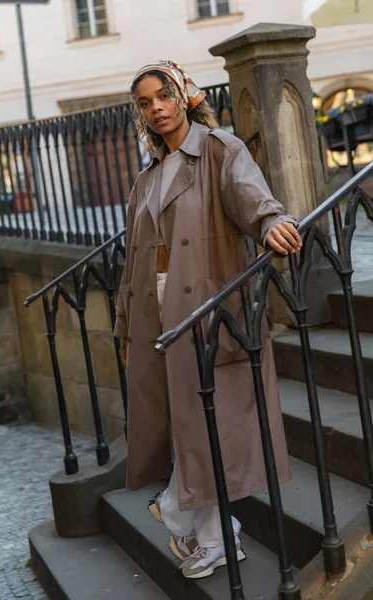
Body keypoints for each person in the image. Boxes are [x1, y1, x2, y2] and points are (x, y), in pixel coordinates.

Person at [114, 60, 302, 580]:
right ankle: (220, 537)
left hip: (208, 313)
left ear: (184, 96)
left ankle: (180, 512)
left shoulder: (220, 149)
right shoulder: (147, 178)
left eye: (163, 96)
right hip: (156, 314)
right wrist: (124, 325)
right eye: (146, 103)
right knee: (184, 425)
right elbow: (133, 261)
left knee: (205, 425)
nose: (156, 108)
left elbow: (254, 199)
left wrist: (274, 223)